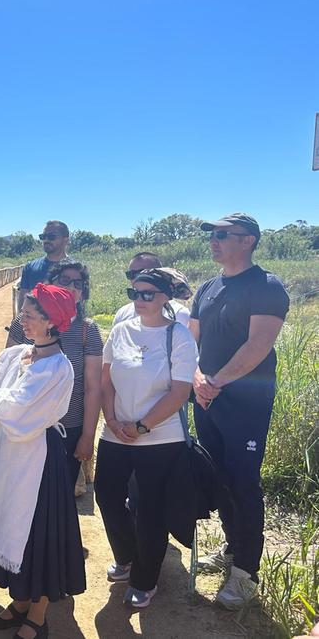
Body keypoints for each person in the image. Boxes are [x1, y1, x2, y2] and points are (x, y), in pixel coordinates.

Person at [0, 283, 85, 639]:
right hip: (9, 452)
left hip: (38, 460)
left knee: (37, 532)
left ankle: (38, 613)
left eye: (29, 313)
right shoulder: (18, 354)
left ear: (52, 322)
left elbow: (14, 409)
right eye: (23, 311)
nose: (21, 318)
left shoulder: (57, 367)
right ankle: (21, 601)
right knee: (10, 523)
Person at [191, 213, 289, 610]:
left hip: (244, 402)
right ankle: (232, 550)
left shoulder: (266, 287)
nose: (213, 241)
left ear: (247, 240)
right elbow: (192, 342)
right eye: (212, 236)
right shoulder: (209, 287)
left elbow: (257, 347)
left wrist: (215, 381)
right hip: (207, 397)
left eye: (221, 235)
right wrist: (199, 377)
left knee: (244, 482)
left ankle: (246, 572)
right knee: (220, 478)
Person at [96, 268, 198, 609]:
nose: (139, 300)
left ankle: (145, 578)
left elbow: (179, 392)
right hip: (115, 432)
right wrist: (111, 419)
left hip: (159, 438)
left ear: (165, 297)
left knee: (150, 508)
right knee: (107, 496)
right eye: (133, 293)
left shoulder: (178, 336)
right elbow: (106, 380)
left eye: (147, 294)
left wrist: (141, 426)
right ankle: (127, 556)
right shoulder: (120, 330)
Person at [5, 260, 102, 498]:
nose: (71, 287)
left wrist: (88, 436)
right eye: (64, 281)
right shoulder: (23, 323)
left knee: (58, 499)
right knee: (22, 498)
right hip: (26, 427)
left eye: (78, 283)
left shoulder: (87, 330)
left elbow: (92, 388)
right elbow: (8, 373)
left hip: (67, 429)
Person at [113, 252, 191, 327]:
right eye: (131, 274)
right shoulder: (122, 313)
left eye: (143, 272)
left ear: (160, 273)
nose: (136, 278)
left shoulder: (179, 313)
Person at [16, 221, 70, 304]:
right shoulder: (30, 267)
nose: (46, 240)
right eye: (43, 236)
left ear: (65, 240)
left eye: (51, 237)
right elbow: (23, 302)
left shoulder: (76, 269)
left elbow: (79, 303)